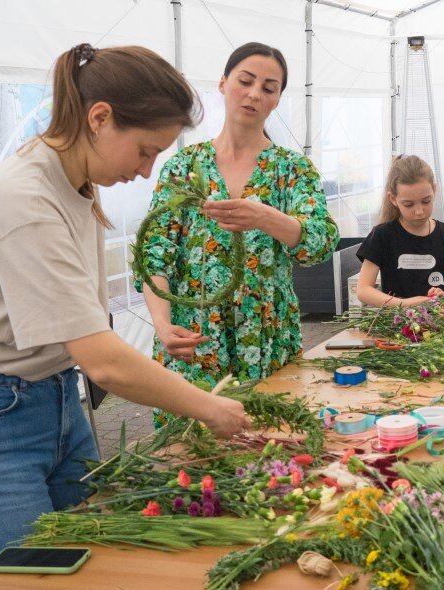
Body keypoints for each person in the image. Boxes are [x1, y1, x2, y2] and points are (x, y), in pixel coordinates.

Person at [0, 44, 251, 552]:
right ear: (100, 118)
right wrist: (210, 409)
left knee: (93, 556)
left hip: (58, 396)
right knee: (34, 571)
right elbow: (104, 363)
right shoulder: (25, 197)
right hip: (8, 418)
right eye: (145, 150)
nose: (147, 170)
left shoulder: (76, 179)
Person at [137, 43, 339, 426]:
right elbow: (153, 253)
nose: (254, 94)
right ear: (223, 83)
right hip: (193, 339)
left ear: (277, 100)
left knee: (268, 446)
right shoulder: (184, 166)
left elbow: (320, 241)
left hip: (264, 337)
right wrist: (162, 325)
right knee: (192, 457)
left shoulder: (290, 169)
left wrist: (266, 217)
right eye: (245, 81)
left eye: (269, 87)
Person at [354, 155, 444, 307]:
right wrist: (403, 304)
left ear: (434, 190)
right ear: (393, 199)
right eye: (408, 204)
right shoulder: (382, 236)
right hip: (398, 324)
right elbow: (363, 290)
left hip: (439, 323)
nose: (419, 211)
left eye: (426, 201)